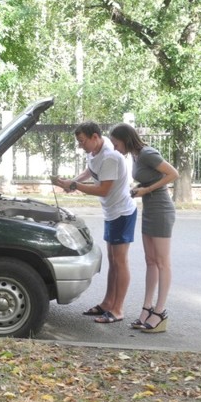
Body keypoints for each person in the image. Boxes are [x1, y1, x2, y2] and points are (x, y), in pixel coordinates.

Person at [54, 122, 136, 324]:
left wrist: (75, 185)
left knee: (120, 262)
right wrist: (72, 182)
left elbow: (103, 190)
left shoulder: (110, 157)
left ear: (95, 137)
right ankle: (108, 303)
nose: (81, 145)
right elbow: (89, 171)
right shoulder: (95, 152)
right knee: (112, 260)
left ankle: (118, 309)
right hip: (111, 212)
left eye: (82, 141)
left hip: (122, 213)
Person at [109, 123, 179, 333]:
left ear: (126, 139)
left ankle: (160, 311)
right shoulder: (136, 156)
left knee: (162, 262)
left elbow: (173, 174)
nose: (115, 148)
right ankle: (146, 308)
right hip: (149, 209)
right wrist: (139, 188)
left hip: (161, 210)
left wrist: (146, 188)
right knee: (150, 261)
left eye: (116, 143)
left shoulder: (147, 153)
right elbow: (153, 177)